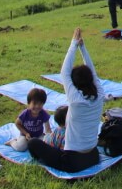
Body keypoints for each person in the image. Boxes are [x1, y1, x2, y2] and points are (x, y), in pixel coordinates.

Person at [28, 27, 104, 172]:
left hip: (73, 162)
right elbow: (93, 72)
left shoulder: (76, 100)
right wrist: (82, 47)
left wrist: (73, 43)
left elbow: (64, 72)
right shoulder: (100, 94)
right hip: (94, 156)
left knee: (33, 143)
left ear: (75, 84)